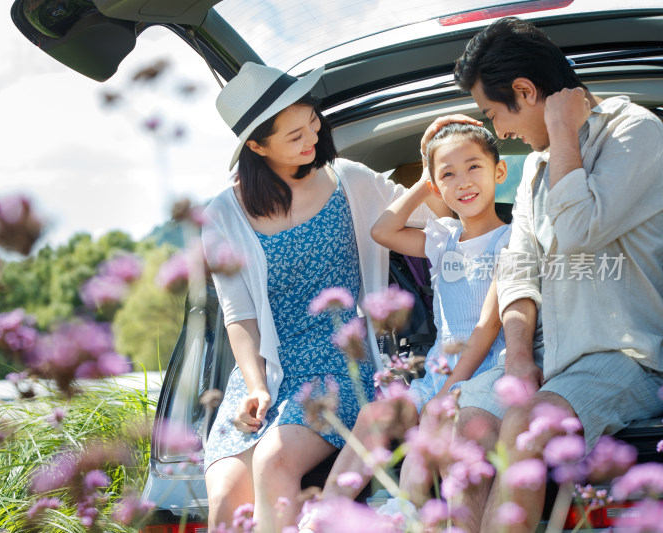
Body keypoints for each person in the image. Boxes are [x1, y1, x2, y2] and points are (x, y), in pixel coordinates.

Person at [200, 62, 448, 532]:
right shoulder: (221, 216)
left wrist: (433, 159)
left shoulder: (350, 180)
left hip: (342, 366)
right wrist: (254, 385)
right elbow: (239, 315)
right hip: (268, 373)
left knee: (274, 462)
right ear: (257, 146)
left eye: (311, 120)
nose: (311, 137)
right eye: (293, 135)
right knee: (225, 503)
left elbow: (441, 219)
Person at [444, 16, 663, 532]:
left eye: (494, 113)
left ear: (525, 91)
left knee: (525, 422)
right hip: (553, 362)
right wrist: (518, 359)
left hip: (627, 356)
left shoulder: (637, 132)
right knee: (469, 425)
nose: (499, 132)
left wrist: (563, 128)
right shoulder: (537, 170)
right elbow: (518, 270)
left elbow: (579, 227)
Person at [308, 119, 512, 514]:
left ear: (499, 171)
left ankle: (405, 509)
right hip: (441, 365)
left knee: (434, 426)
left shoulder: (510, 240)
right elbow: (383, 231)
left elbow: (489, 327)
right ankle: (325, 513)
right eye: (448, 175)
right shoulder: (443, 237)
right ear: (437, 186)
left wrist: (447, 389)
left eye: (474, 167)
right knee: (374, 413)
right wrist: (423, 178)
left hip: (487, 368)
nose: (463, 182)